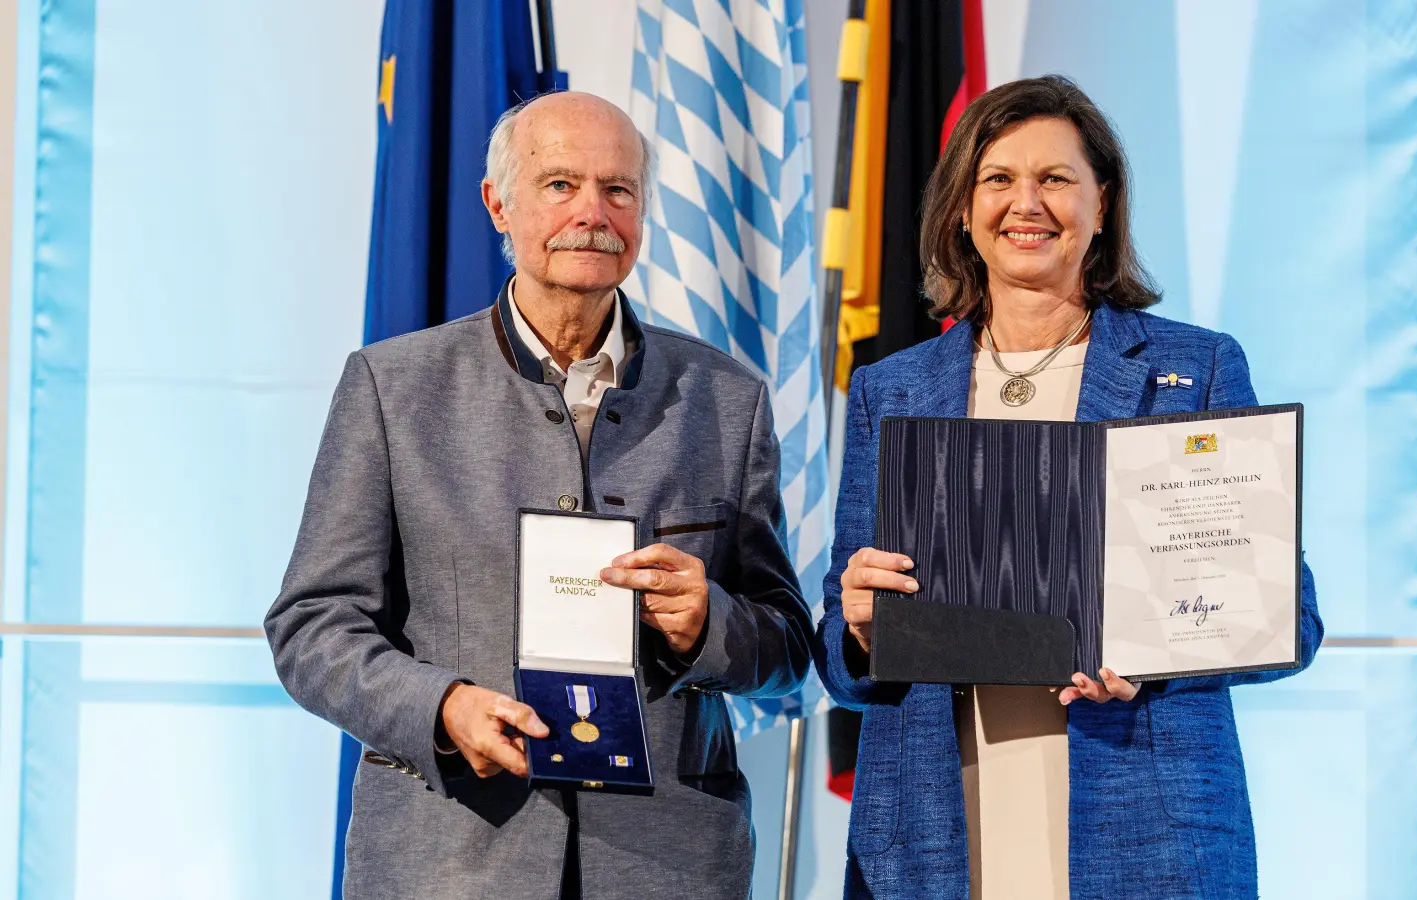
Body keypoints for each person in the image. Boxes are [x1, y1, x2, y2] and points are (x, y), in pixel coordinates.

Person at [266, 92, 814, 900]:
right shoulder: (392, 386)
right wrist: (442, 706)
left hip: (670, 867)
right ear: (500, 204)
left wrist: (710, 623)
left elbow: (789, 644)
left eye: (618, 190)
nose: (592, 212)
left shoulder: (727, 400)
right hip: (448, 861)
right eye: (560, 185)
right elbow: (311, 627)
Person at [815, 75, 1324, 900]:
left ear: (1102, 204)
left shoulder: (1196, 371)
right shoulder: (892, 391)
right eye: (998, 179)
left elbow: (1288, 620)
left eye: (1055, 179)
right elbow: (841, 654)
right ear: (961, 209)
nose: (1027, 203)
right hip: (937, 829)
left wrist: (1152, 651)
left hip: (1143, 829)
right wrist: (864, 630)